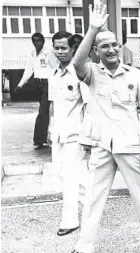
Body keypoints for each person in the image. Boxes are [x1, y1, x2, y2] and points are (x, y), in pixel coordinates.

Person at [71, 3, 140, 253]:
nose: (111, 49)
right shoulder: (92, 73)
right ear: (96, 52)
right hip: (102, 144)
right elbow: (77, 63)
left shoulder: (135, 75)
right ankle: (84, 245)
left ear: (120, 48)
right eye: (104, 46)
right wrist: (92, 29)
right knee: (93, 197)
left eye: (114, 45)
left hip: (130, 144)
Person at [48, 31, 88, 237]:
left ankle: (70, 220)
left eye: (64, 47)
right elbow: (52, 104)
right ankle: (92, 200)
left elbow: (88, 105)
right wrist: (49, 127)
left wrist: (88, 134)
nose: (60, 51)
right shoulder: (53, 73)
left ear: (73, 49)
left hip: (75, 132)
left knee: (70, 176)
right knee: (59, 174)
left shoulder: (79, 73)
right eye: (57, 47)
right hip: (58, 132)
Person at [14, 32, 58, 149]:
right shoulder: (33, 54)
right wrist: (20, 85)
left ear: (43, 41)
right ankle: (44, 137)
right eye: (34, 40)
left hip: (48, 84)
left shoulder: (49, 53)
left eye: (39, 40)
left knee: (43, 111)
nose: (36, 42)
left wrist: (56, 84)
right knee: (44, 111)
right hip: (37, 84)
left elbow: (56, 68)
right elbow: (28, 71)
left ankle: (39, 139)